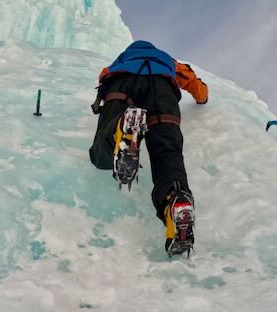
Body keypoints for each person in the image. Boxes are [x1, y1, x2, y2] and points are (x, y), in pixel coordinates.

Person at [89, 40, 208, 257]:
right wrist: (203, 96)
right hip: (162, 91)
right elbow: (189, 77)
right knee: (167, 151)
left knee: (101, 152)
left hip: (122, 85)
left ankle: (122, 128)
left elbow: (103, 78)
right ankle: (175, 199)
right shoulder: (166, 60)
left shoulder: (122, 60)